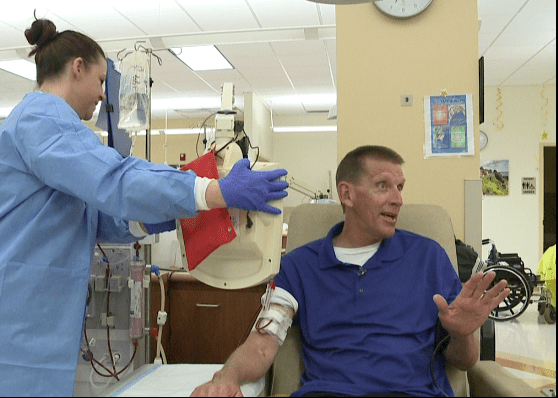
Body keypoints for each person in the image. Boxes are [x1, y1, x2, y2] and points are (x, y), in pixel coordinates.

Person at [0, 18, 288, 397]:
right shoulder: (41, 119)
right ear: (77, 67)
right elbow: (115, 179)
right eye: (99, 80)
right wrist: (211, 190)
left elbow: (101, 217)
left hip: (13, 318)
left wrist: (182, 210)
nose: (101, 94)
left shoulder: (57, 134)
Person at [192, 145, 510, 397]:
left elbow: (464, 361)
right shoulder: (298, 266)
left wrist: (463, 332)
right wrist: (225, 378)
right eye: (383, 186)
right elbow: (263, 343)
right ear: (347, 195)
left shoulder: (429, 257)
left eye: (400, 187)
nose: (398, 199)